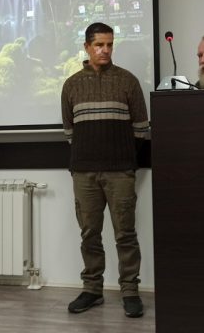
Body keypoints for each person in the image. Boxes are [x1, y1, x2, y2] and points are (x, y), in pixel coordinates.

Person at [61, 22, 149, 318]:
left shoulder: (128, 81)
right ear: (87, 46)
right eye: (99, 44)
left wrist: (121, 157)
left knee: (125, 234)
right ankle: (92, 290)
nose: (105, 50)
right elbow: (70, 132)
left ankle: (130, 291)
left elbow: (141, 128)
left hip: (120, 171)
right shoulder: (71, 85)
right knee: (89, 233)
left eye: (110, 44)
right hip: (84, 172)